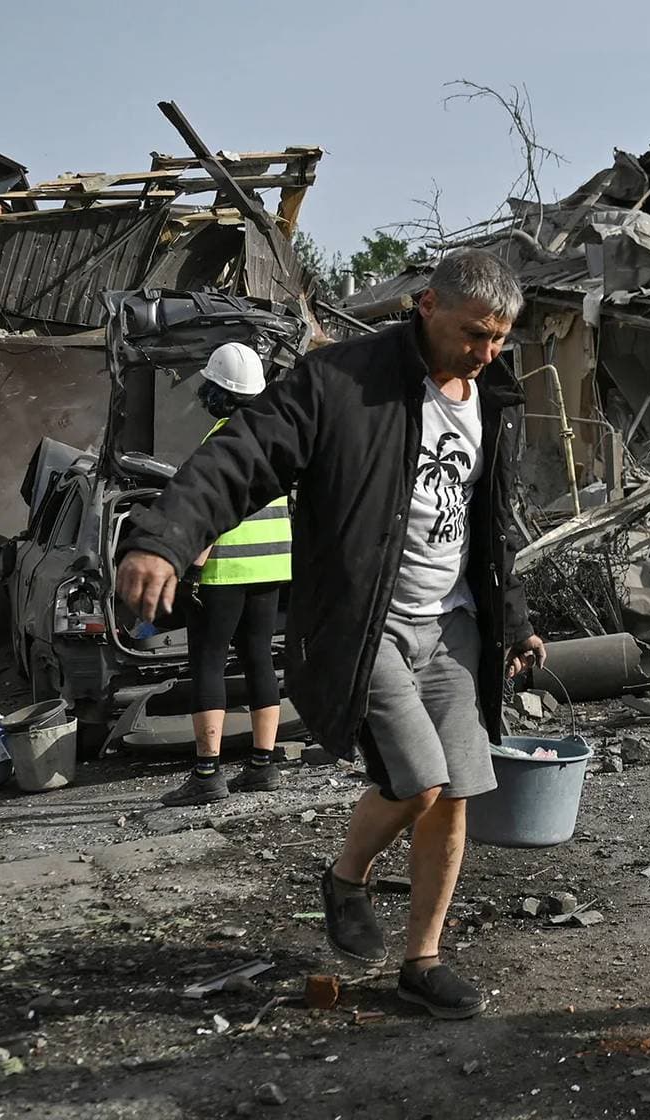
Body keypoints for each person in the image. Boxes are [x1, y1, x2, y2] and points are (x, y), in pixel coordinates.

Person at [115, 249, 544, 1021]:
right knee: (418, 781)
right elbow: (241, 455)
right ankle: (347, 877)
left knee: (454, 801)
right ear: (425, 304)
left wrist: (513, 622)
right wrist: (165, 536)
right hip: (366, 621)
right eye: (475, 334)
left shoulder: (493, 395)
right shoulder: (341, 382)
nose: (486, 354)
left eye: (500, 339)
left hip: (454, 625)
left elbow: (491, 526)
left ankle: (423, 960)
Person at [158, 342, 291, 807]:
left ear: (224, 393)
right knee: (259, 657)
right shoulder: (275, 440)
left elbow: (212, 513)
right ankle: (263, 764)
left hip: (226, 569)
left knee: (209, 662)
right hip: (273, 566)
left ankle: (207, 773)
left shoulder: (221, 440)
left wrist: (191, 570)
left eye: (210, 387)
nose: (205, 395)